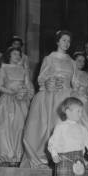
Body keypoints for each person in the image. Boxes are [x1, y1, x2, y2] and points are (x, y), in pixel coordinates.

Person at [21, 30, 76, 168]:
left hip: (68, 97)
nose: (66, 43)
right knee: (50, 125)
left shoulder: (72, 61)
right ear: (57, 41)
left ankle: (66, 157)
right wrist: (47, 83)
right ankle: (46, 156)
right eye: (64, 40)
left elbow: (75, 82)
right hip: (51, 96)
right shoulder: (49, 58)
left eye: (68, 41)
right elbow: (41, 78)